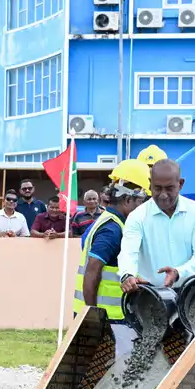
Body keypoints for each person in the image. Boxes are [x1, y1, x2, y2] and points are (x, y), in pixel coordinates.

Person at [118, 159, 195, 389]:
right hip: (151, 302)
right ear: (149, 185)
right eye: (156, 188)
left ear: (180, 185)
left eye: (169, 188)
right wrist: (127, 275)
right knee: (149, 364)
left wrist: (179, 271)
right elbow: (128, 251)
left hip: (189, 297)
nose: (162, 194)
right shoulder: (138, 216)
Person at [73, 160, 151, 374]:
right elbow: (92, 270)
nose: (143, 207)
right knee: (108, 377)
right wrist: (93, 317)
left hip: (110, 317)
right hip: (107, 318)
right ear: (127, 199)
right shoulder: (112, 229)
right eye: (141, 201)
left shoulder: (111, 222)